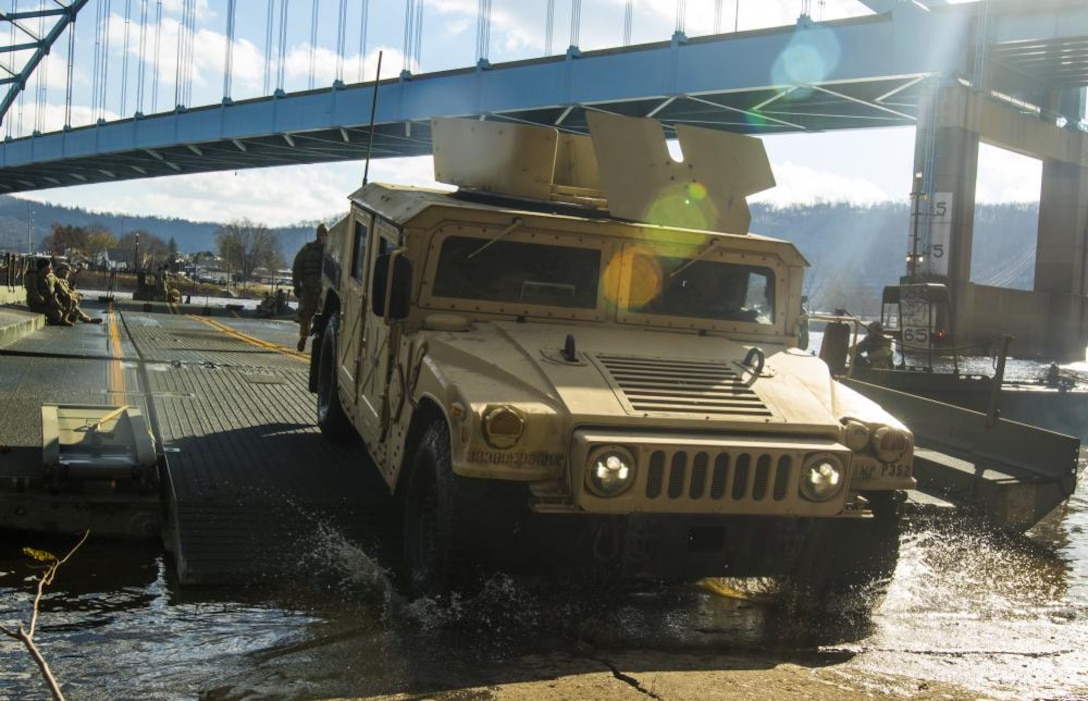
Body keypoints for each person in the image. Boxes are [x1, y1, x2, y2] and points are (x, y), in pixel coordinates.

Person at [292, 223, 328, 352]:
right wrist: (296, 285)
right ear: (318, 235)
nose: (324, 237)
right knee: (306, 315)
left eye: (325, 235)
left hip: (324, 290)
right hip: (308, 288)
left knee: (323, 317)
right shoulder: (307, 250)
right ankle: (303, 337)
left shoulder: (330, 251)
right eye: (322, 235)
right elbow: (297, 267)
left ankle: (319, 340)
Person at [24, 258, 72, 326]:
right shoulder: (33, 276)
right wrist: (46, 301)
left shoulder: (51, 276)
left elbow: (60, 287)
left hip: (51, 300)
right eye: (49, 267)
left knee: (68, 299)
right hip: (39, 304)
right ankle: (53, 318)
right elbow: (33, 292)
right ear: (44, 267)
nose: (51, 268)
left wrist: (65, 294)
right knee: (57, 314)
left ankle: (64, 319)